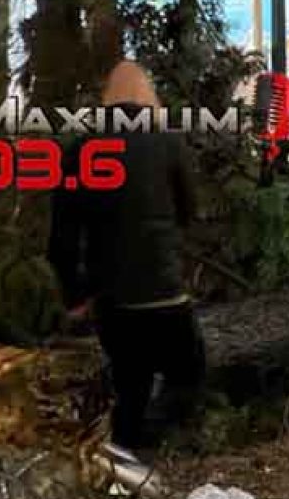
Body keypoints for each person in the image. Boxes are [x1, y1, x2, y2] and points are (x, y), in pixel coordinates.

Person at [48, 60, 205, 455]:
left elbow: (63, 240)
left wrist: (76, 296)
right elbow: (191, 212)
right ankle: (166, 449)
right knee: (189, 374)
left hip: (115, 301)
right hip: (166, 292)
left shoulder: (81, 151)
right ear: (148, 97)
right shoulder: (169, 142)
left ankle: (130, 461)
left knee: (129, 387)